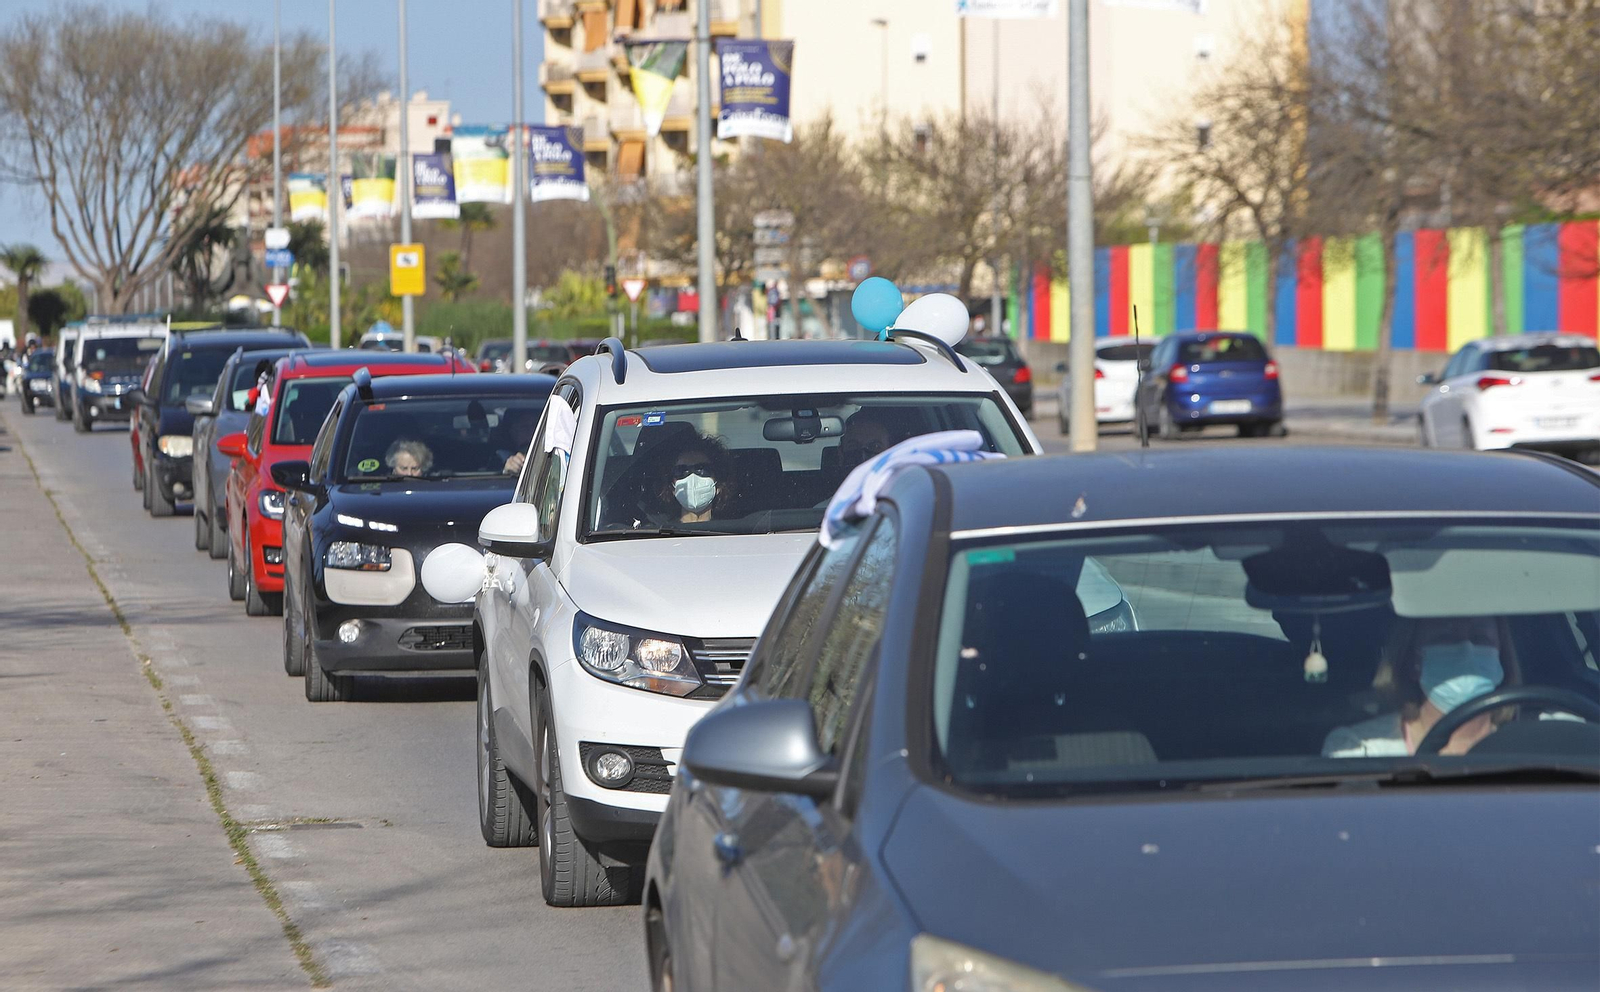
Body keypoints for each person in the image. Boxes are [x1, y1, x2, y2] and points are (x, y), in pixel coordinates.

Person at [1322, 616, 1514, 758]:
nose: (1466, 649)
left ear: (1500, 657)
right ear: (1413, 662)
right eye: (1446, 637)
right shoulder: (1361, 751)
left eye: (1480, 637)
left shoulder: (1538, 740)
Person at [495, 406, 543, 476]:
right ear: (512, 431)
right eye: (524, 427)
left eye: (534, 426)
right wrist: (507, 470)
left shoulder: (552, 453)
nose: (530, 431)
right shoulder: (497, 457)